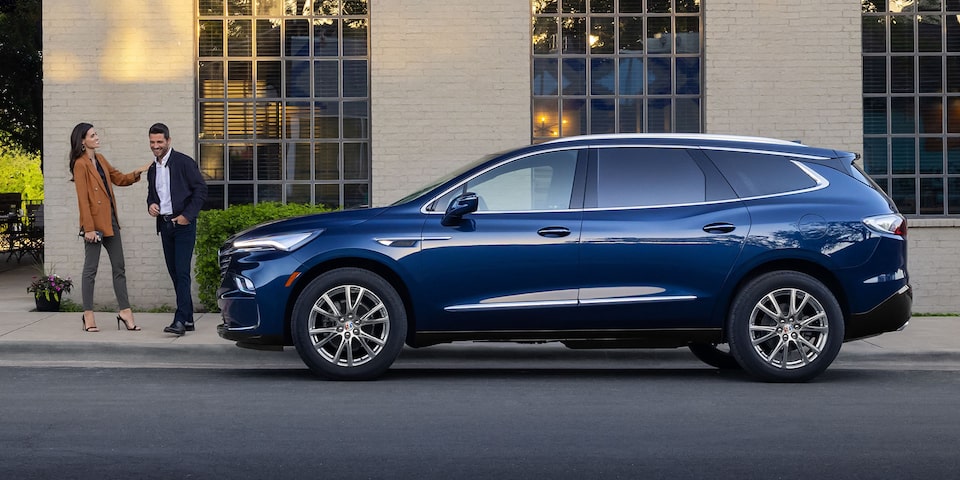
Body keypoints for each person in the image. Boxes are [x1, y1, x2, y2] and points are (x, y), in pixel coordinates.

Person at [69, 122, 152, 332]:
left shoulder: (101, 159)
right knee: (90, 271)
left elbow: (119, 179)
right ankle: (88, 314)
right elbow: (83, 199)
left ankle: (125, 311)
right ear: (82, 140)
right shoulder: (80, 164)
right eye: (92, 135)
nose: (97, 137)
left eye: (96, 134)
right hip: (93, 225)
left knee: (119, 268)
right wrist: (88, 228)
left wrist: (137, 172)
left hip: (111, 221)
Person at [145, 123, 208, 336]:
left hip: (183, 226)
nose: (156, 146)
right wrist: (151, 205)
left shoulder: (184, 162)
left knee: (182, 272)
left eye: (159, 142)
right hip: (164, 225)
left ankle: (180, 320)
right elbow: (153, 195)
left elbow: (201, 189)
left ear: (168, 141)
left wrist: (187, 216)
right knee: (175, 273)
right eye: (153, 142)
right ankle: (188, 318)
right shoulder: (153, 168)